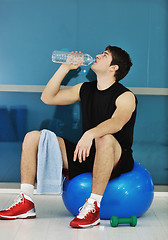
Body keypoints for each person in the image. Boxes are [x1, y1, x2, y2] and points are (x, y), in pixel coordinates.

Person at [0, 46, 137, 228]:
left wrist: (91, 133)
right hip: (87, 154)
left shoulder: (125, 96)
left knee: (104, 137)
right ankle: (26, 202)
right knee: (33, 137)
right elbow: (48, 97)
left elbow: (118, 122)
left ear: (114, 68)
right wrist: (65, 68)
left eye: (104, 55)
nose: (97, 55)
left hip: (115, 156)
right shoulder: (85, 89)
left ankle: (93, 206)